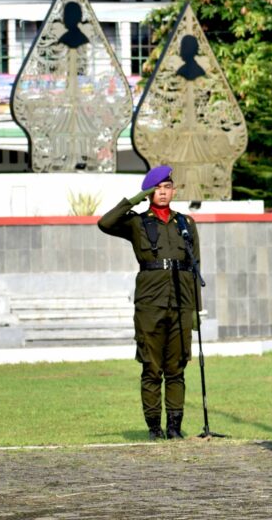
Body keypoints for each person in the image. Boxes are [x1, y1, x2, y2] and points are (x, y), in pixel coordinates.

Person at [97, 165, 201, 441]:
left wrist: (195, 310)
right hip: (150, 304)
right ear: (149, 193)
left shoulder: (186, 224)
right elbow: (105, 223)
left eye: (167, 187)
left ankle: (175, 427)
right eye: (157, 189)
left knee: (177, 368)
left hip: (181, 302)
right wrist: (134, 199)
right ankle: (154, 427)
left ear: (174, 191)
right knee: (152, 368)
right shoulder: (137, 223)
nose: (163, 193)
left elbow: (195, 267)